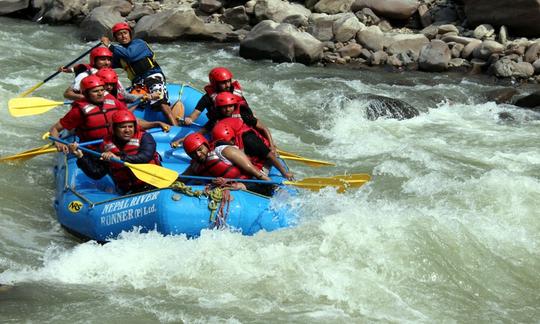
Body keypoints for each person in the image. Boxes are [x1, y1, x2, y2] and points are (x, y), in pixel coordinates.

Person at [100, 22, 181, 126]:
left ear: (130, 34)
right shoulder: (118, 53)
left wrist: (109, 45)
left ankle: (175, 127)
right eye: (119, 34)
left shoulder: (139, 44)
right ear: (116, 38)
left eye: (125, 33)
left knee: (161, 102)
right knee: (131, 105)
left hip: (153, 76)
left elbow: (130, 55)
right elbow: (106, 65)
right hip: (138, 82)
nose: (123, 36)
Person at [69, 110, 161, 194]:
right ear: (114, 129)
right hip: (130, 191)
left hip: (152, 184)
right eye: (123, 127)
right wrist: (80, 157)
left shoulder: (145, 137)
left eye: (130, 126)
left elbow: (145, 157)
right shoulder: (106, 146)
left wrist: (118, 158)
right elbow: (97, 173)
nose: (127, 130)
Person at [49, 75, 127, 154]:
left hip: (115, 144)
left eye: (102, 90)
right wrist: (58, 142)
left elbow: (130, 117)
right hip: (93, 150)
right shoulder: (79, 110)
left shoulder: (111, 100)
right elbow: (54, 129)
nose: (100, 93)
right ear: (86, 93)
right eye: (95, 91)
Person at [181, 133, 273, 195]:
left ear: (206, 145)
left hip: (251, 183)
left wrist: (271, 184)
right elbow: (182, 179)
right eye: (193, 153)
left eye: (200, 149)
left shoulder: (224, 151)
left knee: (238, 186)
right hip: (225, 188)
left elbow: (254, 171)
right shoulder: (196, 166)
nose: (198, 154)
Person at [211, 118, 294, 181]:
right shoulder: (225, 144)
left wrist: (284, 173)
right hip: (249, 157)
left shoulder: (250, 140)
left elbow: (270, 156)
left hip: (263, 160)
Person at [182, 67, 248, 126]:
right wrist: (189, 119)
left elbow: (247, 111)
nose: (227, 85)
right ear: (215, 83)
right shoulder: (207, 98)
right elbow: (196, 113)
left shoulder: (236, 93)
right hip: (219, 126)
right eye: (223, 83)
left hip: (238, 124)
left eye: (228, 81)